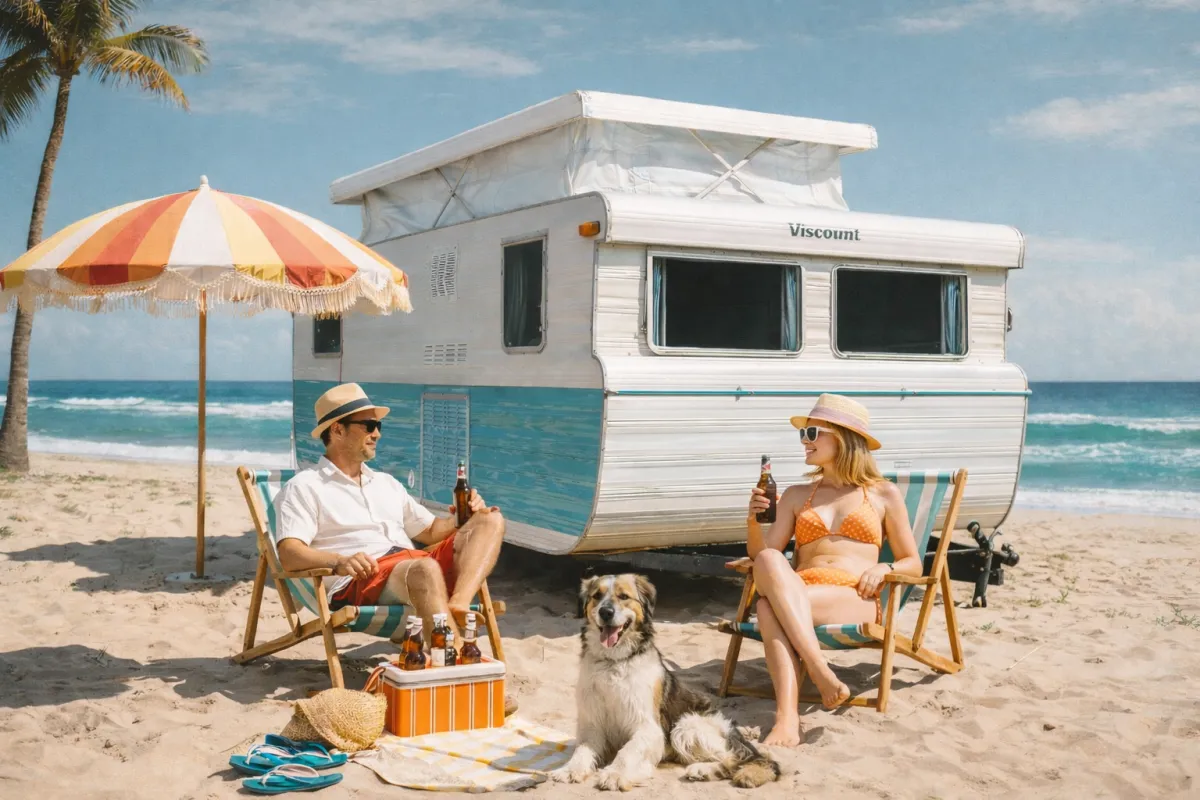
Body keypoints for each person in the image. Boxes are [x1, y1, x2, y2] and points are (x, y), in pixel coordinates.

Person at [745, 394, 921, 747]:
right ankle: (817, 672)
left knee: (767, 607)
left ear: (843, 439)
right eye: (803, 434)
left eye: (813, 433)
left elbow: (913, 563)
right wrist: (752, 520)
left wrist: (885, 567)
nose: (804, 441)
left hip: (854, 596)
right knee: (769, 564)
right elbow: (761, 556)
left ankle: (789, 716)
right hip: (799, 591)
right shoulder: (796, 495)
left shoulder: (882, 494)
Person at [275, 382, 506, 651]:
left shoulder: (386, 483)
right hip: (364, 577)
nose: (377, 434)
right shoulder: (305, 486)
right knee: (424, 568)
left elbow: (430, 531)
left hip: (413, 564)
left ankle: (459, 603)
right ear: (337, 430)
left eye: (378, 426)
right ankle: (450, 659)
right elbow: (289, 554)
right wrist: (339, 561)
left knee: (490, 519)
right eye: (368, 426)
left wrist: (461, 518)